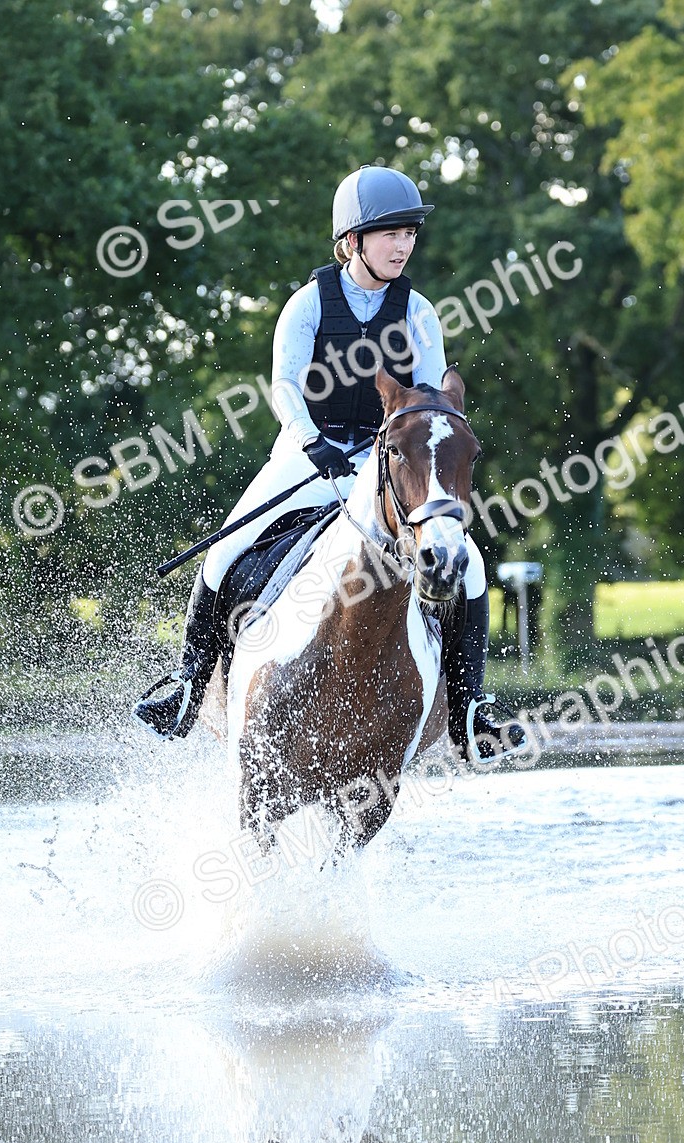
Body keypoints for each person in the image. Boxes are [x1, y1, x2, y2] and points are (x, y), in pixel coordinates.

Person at [133, 165, 527, 763]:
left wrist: (398, 452)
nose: (404, 245)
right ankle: (187, 686)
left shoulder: (418, 311)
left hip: (383, 462)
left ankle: (472, 710)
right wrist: (312, 442)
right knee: (223, 554)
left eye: (410, 234)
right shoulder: (308, 303)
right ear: (353, 242)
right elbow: (285, 386)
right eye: (390, 234)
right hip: (306, 456)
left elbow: (425, 401)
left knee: (465, 560)